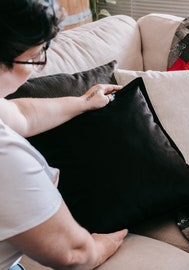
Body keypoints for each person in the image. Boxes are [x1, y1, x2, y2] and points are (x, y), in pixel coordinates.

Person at [0, 0, 127, 269]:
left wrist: (83, 102)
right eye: (35, 57)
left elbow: (18, 115)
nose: (38, 66)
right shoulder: (6, 156)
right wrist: (106, 242)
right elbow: (73, 255)